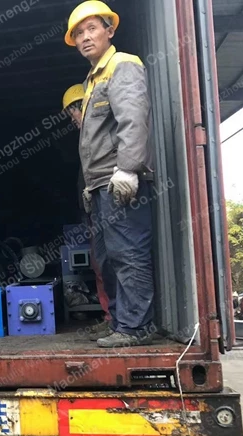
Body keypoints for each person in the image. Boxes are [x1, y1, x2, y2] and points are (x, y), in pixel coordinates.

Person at [65, 1, 155, 347]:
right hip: (100, 185)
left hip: (119, 181)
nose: (86, 37)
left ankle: (137, 327)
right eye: (79, 33)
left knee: (129, 254)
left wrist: (128, 169)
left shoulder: (122, 65)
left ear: (109, 31)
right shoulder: (93, 79)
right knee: (107, 258)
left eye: (92, 29)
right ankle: (119, 321)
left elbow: (133, 119)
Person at [62, 84, 112, 339]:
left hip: (109, 208)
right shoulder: (86, 143)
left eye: (75, 113)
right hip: (93, 213)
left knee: (115, 263)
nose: (74, 120)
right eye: (71, 116)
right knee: (100, 265)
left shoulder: (104, 136)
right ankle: (111, 317)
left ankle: (121, 320)